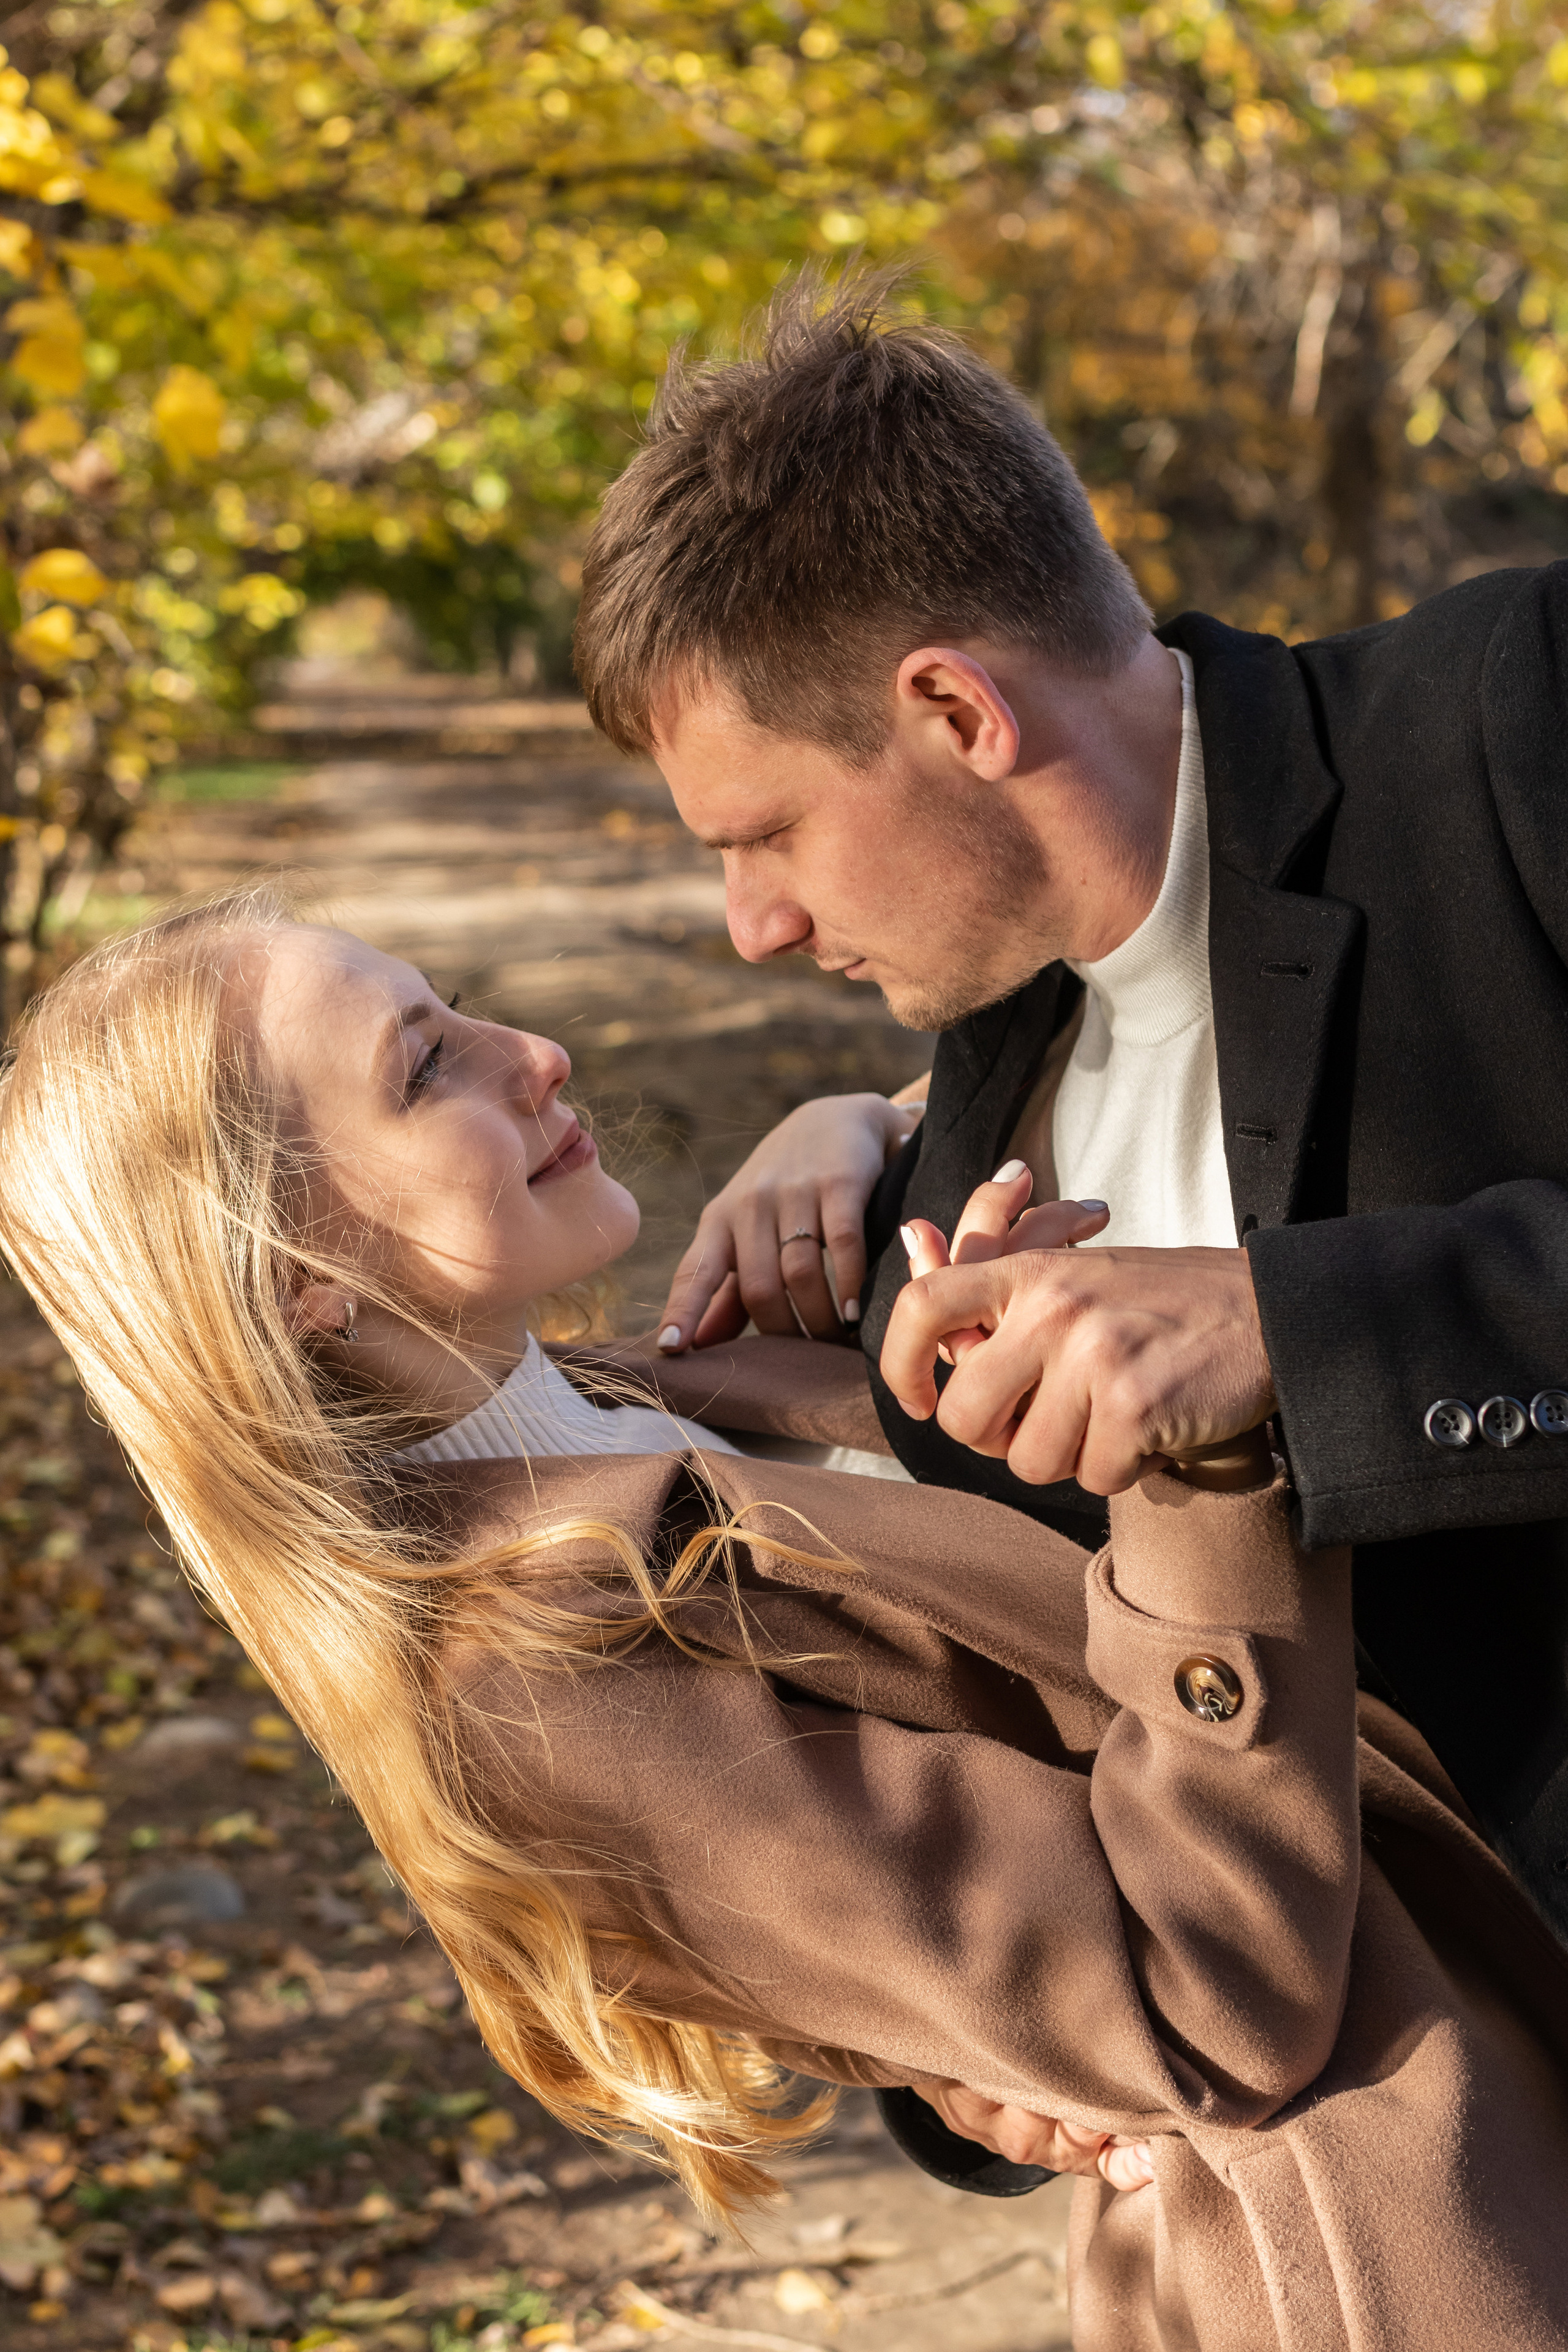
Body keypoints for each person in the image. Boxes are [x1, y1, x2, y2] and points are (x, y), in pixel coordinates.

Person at [4, 891, 1568, 2350]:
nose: (532, 1054)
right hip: (1408, 2221)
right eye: (425, 1069)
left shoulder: (635, 1397)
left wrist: (868, 1133)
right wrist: (1185, 1466)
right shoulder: (530, 1678)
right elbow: (1203, 2005)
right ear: (297, 1281)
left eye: (459, 1007)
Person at [573, 267, 1568, 1956]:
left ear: (957, 712)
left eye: (768, 835)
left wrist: (1294, 1330)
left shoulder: (1512, 708)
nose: (754, 923)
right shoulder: (983, 1046)